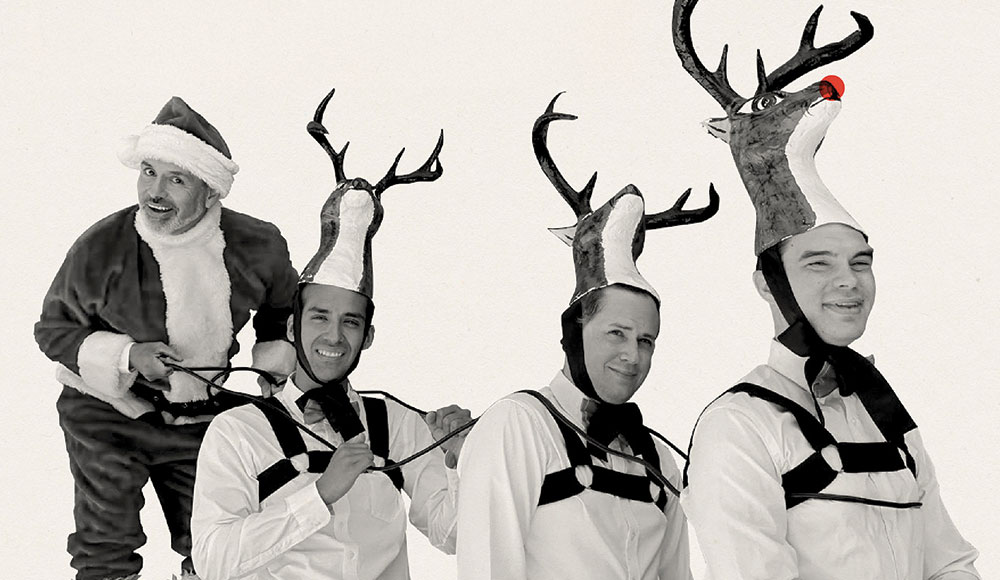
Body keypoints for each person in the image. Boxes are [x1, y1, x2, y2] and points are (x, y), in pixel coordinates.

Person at [678, 65, 982, 580]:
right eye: (818, 263)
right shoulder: (739, 426)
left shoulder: (886, 415)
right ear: (766, 284)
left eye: (860, 262)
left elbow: (950, 564)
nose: (849, 281)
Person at [191, 87, 469, 580]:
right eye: (319, 317)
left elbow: (454, 536)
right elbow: (214, 560)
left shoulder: (396, 426)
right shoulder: (238, 433)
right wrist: (318, 495)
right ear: (293, 325)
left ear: (368, 336)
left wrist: (456, 460)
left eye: (351, 322)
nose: (334, 337)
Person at [34, 97, 300, 580]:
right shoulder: (103, 246)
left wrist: (274, 369)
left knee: (220, 542)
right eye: (149, 172)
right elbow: (53, 329)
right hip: (107, 413)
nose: (155, 192)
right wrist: (128, 356)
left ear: (210, 192)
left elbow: (282, 310)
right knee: (105, 540)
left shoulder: (257, 245)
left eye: (176, 180)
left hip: (201, 414)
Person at [455, 94, 717, 580]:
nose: (631, 354)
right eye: (616, 332)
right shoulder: (519, 427)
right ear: (574, 333)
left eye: (646, 340)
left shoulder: (658, 459)